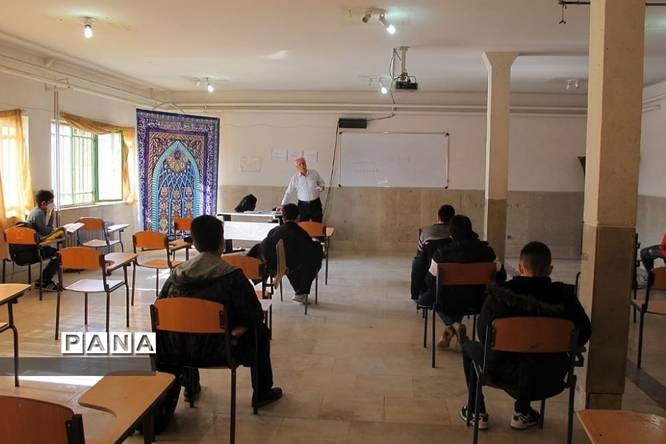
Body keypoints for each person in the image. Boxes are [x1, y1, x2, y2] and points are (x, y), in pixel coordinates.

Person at [154, 215, 282, 433]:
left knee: (183, 326)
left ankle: (190, 385)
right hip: (220, 350)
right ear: (222, 242)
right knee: (259, 331)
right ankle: (261, 392)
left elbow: (161, 307)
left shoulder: (175, 276)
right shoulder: (232, 278)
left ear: (194, 243)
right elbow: (253, 315)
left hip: (175, 350)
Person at [459, 241, 591, 431]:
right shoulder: (565, 298)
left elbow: (484, 336)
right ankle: (522, 411)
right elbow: (584, 333)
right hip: (550, 376)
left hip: (504, 374)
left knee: (468, 347)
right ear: (550, 269)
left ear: (520, 268)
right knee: (531, 358)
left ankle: (476, 411)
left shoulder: (499, 297)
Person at [419, 215, 504, 348]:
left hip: (447, 301)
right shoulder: (487, 252)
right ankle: (452, 328)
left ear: (451, 233)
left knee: (424, 299)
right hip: (478, 301)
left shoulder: (442, 253)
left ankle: (453, 325)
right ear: (470, 230)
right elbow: (501, 276)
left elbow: (429, 281)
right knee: (462, 294)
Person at [260, 203, 323, 304]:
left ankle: (299, 291)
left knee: (290, 258)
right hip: (292, 266)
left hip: (274, 267)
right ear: (298, 217)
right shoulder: (302, 233)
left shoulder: (273, 231)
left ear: (283, 218)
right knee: (315, 251)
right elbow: (308, 251)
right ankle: (301, 292)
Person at [411, 204, 456, 300]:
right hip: (453, 275)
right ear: (453, 218)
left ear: (438, 216)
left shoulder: (426, 232)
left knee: (417, 260)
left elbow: (419, 253)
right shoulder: (455, 234)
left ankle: (417, 293)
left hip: (430, 274)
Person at [23, 189, 59, 289]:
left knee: (55, 253)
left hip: (32, 247)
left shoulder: (35, 211)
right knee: (59, 255)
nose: (53, 204)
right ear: (43, 203)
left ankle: (44, 280)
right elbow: (45, 231)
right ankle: (43, 281)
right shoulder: (39, 213)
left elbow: (43, 231)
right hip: (34, 249)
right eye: (51, 202)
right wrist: (51, 220)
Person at [280, 157, 325, 222]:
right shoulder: (295, 178)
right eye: (300, 164)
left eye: (303, 163)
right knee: (302, 225)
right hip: (303, 206)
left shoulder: (314, 173)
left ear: (306, 164)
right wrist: (283, 204)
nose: (302, 165)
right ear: (297, 167)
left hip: (315, 204)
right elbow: (288, 192)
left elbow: (321, 183)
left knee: (317, 224)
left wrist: (322, 187)